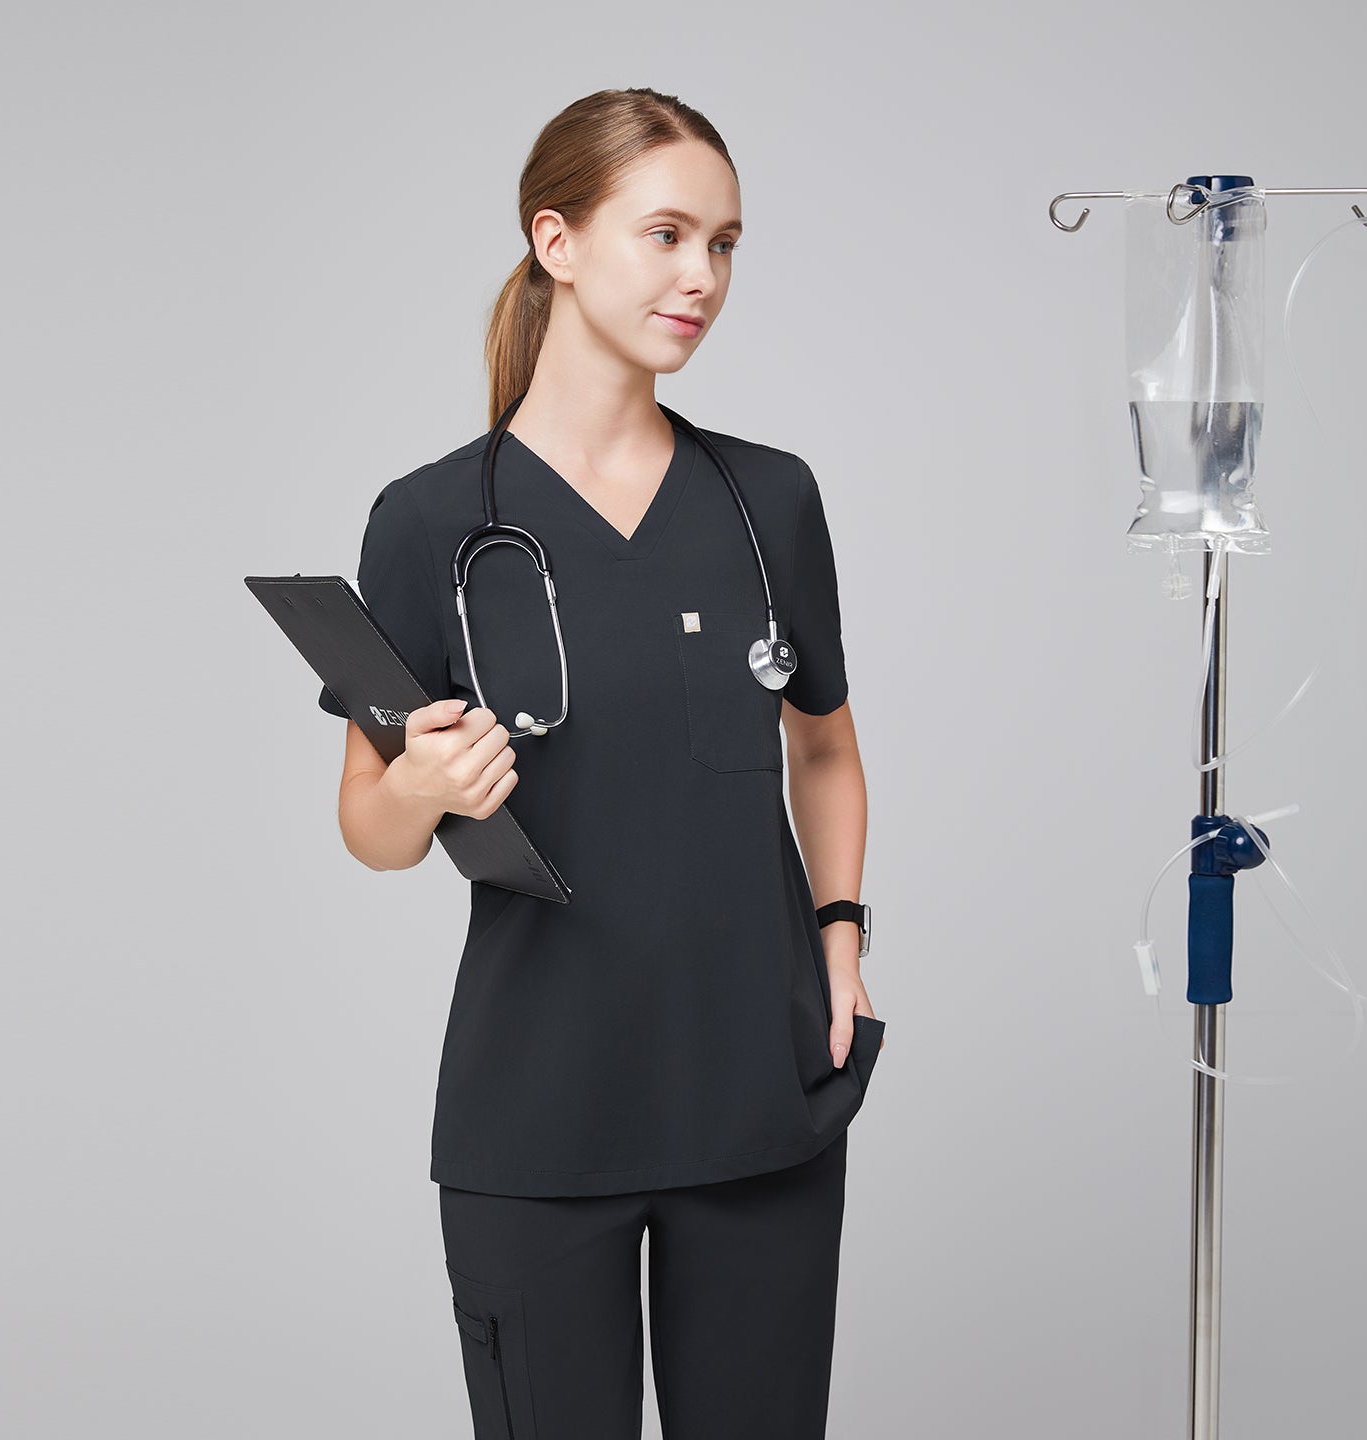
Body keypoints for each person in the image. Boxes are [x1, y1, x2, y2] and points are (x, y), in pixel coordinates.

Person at [319, 86, 884, 1440]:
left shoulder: (769, 501)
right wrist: (419, 789)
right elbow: (369, 821)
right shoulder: (432, 521)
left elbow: (826, 747)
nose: (703, 278)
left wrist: (842, 938)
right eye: (669, 235)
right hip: (539, 1110)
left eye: (727, 245)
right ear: (557, 242)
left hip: (757, 1093)